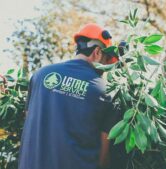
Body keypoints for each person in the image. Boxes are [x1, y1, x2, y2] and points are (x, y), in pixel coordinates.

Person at [19, 23, 119, 169]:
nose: (105, 69)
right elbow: (102, 158)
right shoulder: (105, 91)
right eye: (106, 62)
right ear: (97, 52)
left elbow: (30, 120)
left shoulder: (40, 75)